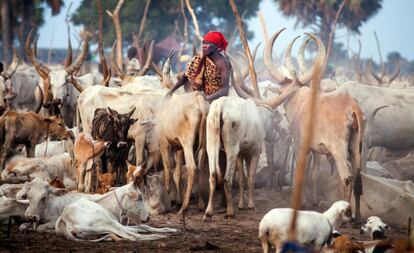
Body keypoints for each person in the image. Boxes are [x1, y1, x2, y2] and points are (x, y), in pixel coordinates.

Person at [166, 31, 231, 102]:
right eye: (203, 43)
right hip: (198, 96)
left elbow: (225, 90)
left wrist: (207, 98)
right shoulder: (200, 56)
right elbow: (186, 77)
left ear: (215, 46)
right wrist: (171, 91)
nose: (204, 46)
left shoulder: (223, 63)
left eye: (208, 43)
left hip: (215, 101)